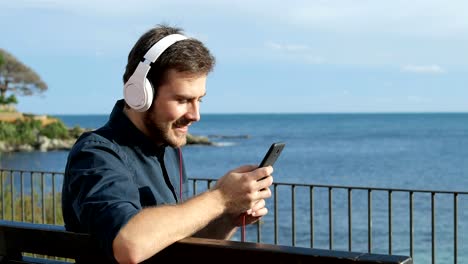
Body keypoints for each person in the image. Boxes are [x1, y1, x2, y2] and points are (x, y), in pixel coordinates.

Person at [61, 24, 274, 264]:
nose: (196, 115)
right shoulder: (96, 153)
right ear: (140, 94)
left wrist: (227, 216)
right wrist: (221, 197)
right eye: (183, 100)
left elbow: (170, 242)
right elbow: (128, 244)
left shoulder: (169, 150)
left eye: (199, 100)